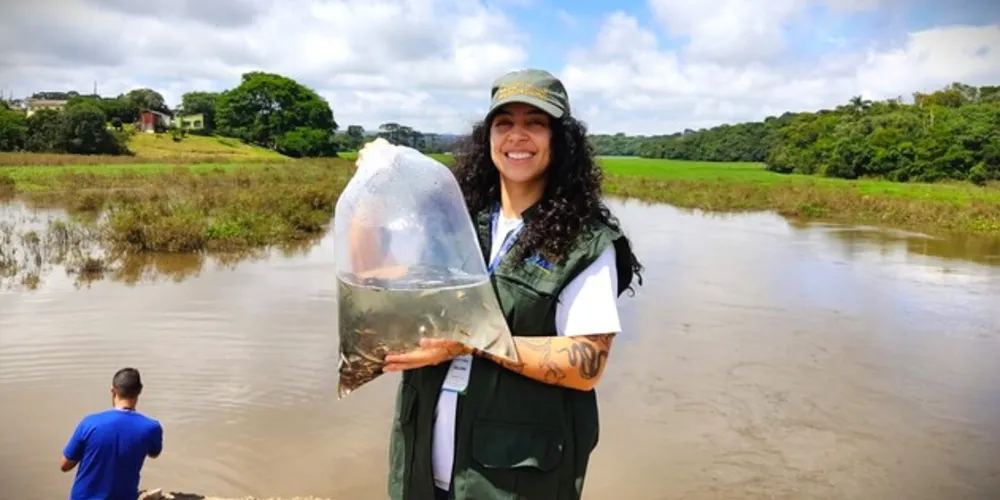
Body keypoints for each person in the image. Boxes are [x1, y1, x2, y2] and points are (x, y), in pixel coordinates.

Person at [381, 68, 644, 500]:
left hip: (512, 480)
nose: (517, 136)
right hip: (420, 468)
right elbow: (396, 287)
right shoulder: (454, 221)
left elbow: (587, 364)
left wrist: (471, 341)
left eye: (534, 123)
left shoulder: (586, 242)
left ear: (560, 141)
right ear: (487, 138)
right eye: (504, 123)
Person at [61, 367, 164, 500]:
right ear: (139, 391)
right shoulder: (151, 427)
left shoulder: (89, 423)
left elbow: (65, 466)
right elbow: (154, 453)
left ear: (113, 391)